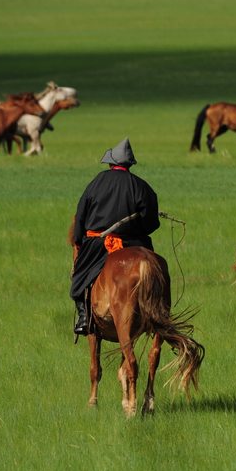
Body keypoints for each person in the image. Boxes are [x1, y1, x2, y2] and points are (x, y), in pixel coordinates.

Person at [70, 137, 160, 335]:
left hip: (98, 243)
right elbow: (152, 223)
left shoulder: (96, 182)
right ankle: (159, 314)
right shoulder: (142, 186)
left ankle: (84, 317)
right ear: (129, 164)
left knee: (79, 278)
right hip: (134, 242)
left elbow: (81, 214)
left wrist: (79, 240)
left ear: (111, 163)